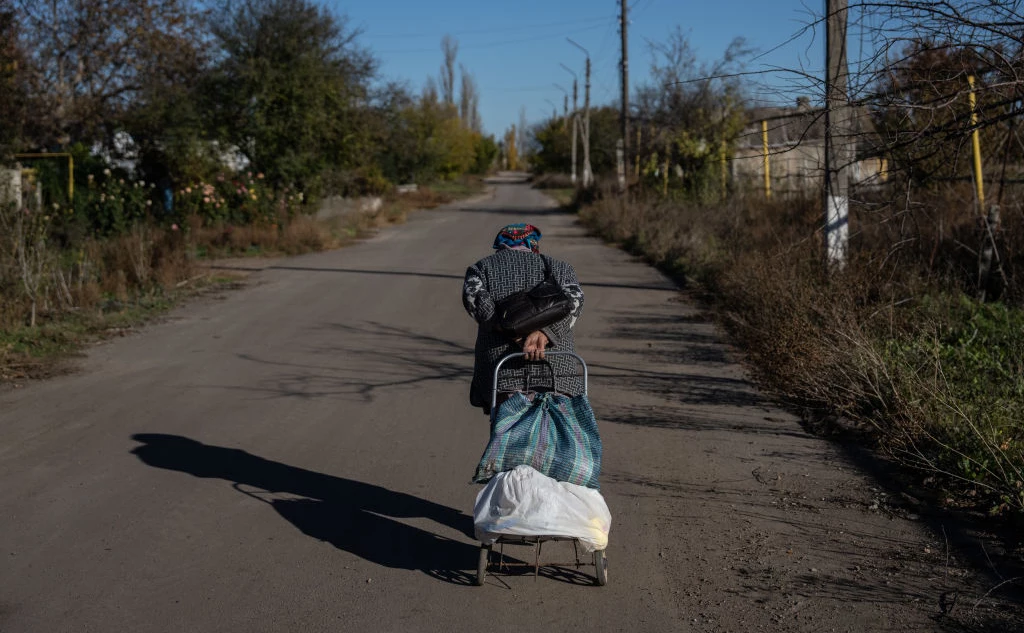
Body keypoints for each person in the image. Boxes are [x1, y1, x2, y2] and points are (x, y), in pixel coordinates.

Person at [462, 223, 585, 414]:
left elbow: (476, 302)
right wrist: (545, 334)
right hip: (556, 371)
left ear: (500, 244)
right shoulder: (561, 268)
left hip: (503, 370)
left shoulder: (480, 269)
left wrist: (516, 333)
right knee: (557, 428)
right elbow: (574, 302)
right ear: (533, 243)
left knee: (508, 429)